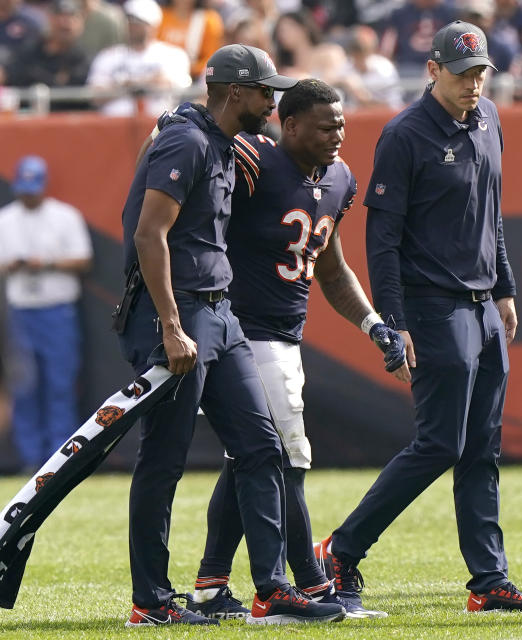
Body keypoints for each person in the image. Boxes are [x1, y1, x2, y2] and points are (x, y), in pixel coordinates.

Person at [317, 20, 522, 615]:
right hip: (432, 305)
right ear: (433, 71)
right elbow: (382, 237)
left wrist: (504, 286)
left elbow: (492, 214)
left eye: (481, 73)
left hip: (482, 305)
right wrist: (394, 318)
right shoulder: (404, 134)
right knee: (440, 443)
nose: (474, 84)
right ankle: (341, 551)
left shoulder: (488, 120)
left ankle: (490, 580)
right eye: (462, 74)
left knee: (482, 447)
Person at [116, 43, 345, 627]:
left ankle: (271, 591)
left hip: (221, 313)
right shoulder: (189, 140)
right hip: (180, 314)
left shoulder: (220, 142)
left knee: (262, 448)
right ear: (235, 92)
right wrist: (170, 325)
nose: (273, 100)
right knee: (164, 459)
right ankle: (151, 601)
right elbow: (149, 234)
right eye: (265, 90)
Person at [180, 79, 406, 621]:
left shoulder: (341, 179)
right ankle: (307, 584)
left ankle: (212, 584)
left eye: (342, 125)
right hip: (244, 330)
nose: (338, 135)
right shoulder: (256, 159)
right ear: (290, 124)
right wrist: (180, 118)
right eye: (326, 126)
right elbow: (199, 154)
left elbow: (331, 267)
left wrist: (373, 325)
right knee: (287, 460)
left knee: (251, 461)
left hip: (285, 333)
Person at [0, 156, 92, 471]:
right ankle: (30, 459)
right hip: (21, 313)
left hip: (58, 312)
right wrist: (12, 266)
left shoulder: (65, 217)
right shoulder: (5, 219)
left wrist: (47, 263)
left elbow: (83, 260)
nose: (28, 195)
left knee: (60, 385)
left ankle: (59, 459)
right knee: (25, 386)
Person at [86, 0, 192, 117]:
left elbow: (177, 88)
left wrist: (129, 84)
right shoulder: (108, 55)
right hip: (113, 125)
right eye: (129, 21)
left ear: (152, 25)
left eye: (138, 21)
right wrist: (139, 84)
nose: (132, 26)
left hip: (161, 126)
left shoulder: (173, 54)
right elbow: (95, 96)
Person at [6, 0, 91, 111]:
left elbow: (76, 96)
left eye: (71, 16)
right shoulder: (30, 51)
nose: (64, 22)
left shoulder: (84, 59)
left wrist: (38, 78)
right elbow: (15, 80)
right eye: (59, 16)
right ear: (49, 19)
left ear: (81, 23)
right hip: (29, 120)